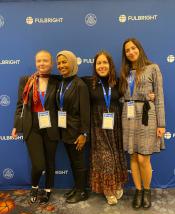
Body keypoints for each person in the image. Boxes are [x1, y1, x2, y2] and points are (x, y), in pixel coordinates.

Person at [119, 38, 165, 209]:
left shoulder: (153, 68)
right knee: (132, 156)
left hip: (147, 115)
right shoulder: (125, 73)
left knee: (143, 158)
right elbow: (122, 96)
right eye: (127, 50)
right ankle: (138, 191)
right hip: (129, 115)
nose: (131, 52)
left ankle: (147, 190)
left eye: (133, 48)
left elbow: (159, 98)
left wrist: (162, 124)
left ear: (139, 48)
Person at [11, 50, 60, 204]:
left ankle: (48, 189)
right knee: (38, 164)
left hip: (51, 127)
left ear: (51, 64)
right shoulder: (26, 81)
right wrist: (16, 126)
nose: (42, 63)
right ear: (35, 62)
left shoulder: (58, 81)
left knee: (50, 161)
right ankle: (34, 186)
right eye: (39, 61)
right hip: (32, 127)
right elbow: (21, 105)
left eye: (45, 60)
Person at [83, 50, 128, 205]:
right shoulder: (89, 82)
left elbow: (131, 97)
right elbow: (68, 80)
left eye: (105, 62)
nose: (102, 66)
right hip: (98, 127)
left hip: (116, 127)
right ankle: (108, 190)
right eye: (98, 63)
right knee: (105, 157)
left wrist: (150, 96)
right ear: (95, 66)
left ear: (110, 65)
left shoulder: (118, 82)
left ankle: (116, 184)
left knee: (115, 155)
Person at [56, 50, 90, 204]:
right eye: (59, 63)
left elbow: (85, 111)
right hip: (64, 129)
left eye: (64, 62)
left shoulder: (80, 85)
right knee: (72, 161)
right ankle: (77, 187)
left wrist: (84, 133)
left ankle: (82, 192)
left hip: (76, 131)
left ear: (72, 63)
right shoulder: (61, 82)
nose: (61, 65)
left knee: (78, 162)